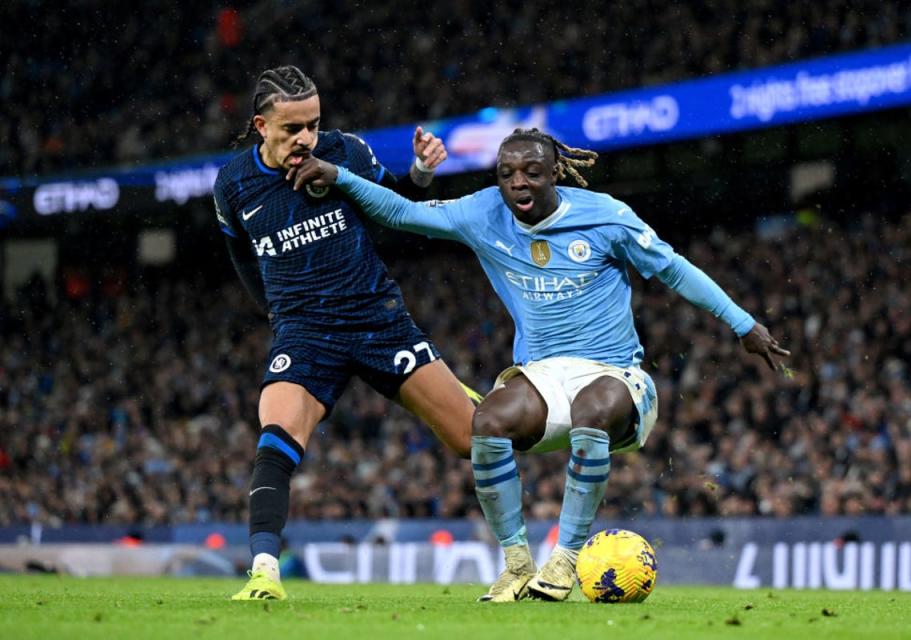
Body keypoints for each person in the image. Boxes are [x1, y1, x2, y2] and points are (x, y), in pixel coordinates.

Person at [286, 127, 791, 602]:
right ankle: (517, 564)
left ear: (555, 173)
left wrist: (744, 325)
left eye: (531, 171)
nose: (518, 182)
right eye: (507, 173)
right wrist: (341, 177)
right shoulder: (482, 213)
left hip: (616, 376)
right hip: (543, 376)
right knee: (487, 420)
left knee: (592, 407)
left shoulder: (605, 216)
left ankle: (566, 559)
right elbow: (400, 213)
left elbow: (674, 269)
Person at [214, 65, 481, 601]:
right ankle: (265, 572)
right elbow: (241, 254)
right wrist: (276, 313)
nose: (305, 139)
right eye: (291, 128)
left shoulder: (347, 153)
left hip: (377, 320)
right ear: (261, 125)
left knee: (474, 440)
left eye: (312, 124)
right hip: (305, 335)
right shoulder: (233, 184)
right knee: (277, 437)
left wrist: (422, 174)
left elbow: (398, 210)